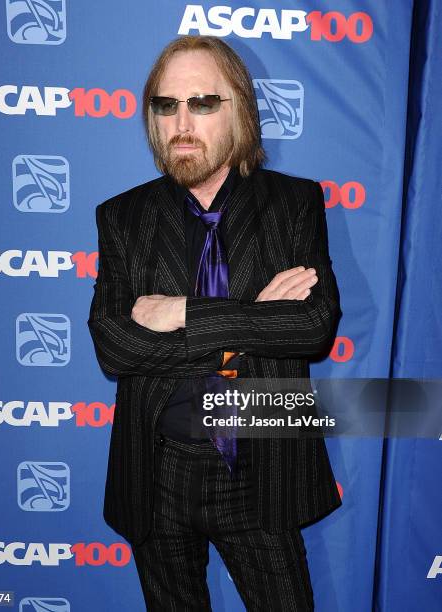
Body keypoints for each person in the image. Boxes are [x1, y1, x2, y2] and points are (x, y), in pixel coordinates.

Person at [88, 34, 342, 611]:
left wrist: (179, 313)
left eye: (202, 103)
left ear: (241, 112)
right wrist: (255, 319)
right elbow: (115, 347)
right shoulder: (123, 217)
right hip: (156, 473)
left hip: (260, 468)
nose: (182, 121)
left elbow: (311, 328)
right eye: (166, 104)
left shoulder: (294, 203)